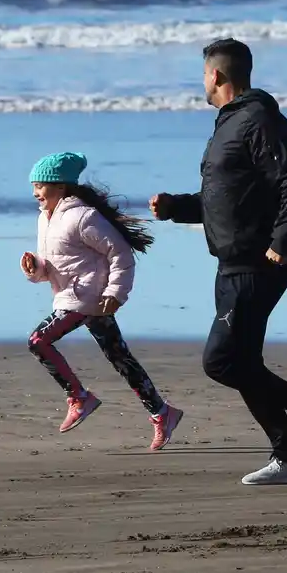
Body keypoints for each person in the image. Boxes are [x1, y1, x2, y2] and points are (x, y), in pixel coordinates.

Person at [149, 38, 287, 486]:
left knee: (221, 361)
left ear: (216, 75)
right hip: (232, 261)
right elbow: (227, 198)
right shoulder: (230, 123)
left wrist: (285, 239)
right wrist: (176, 207)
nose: (202, 82)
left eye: (203, 74)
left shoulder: (257, 118)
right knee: (244, 363)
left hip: (260, 261)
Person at [22, 150, 185, 451]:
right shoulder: (45, 219)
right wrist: (36, 269)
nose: (35, 192)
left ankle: (79, 397)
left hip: (88, 297)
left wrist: (115, 293)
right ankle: (163, 413)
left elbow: (120, 253)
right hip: (75, 296)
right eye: (34, 186)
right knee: (119, 357)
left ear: (61, 186)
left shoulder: (83, 217)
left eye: (40, 185)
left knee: (38, 341)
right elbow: (57, 265)